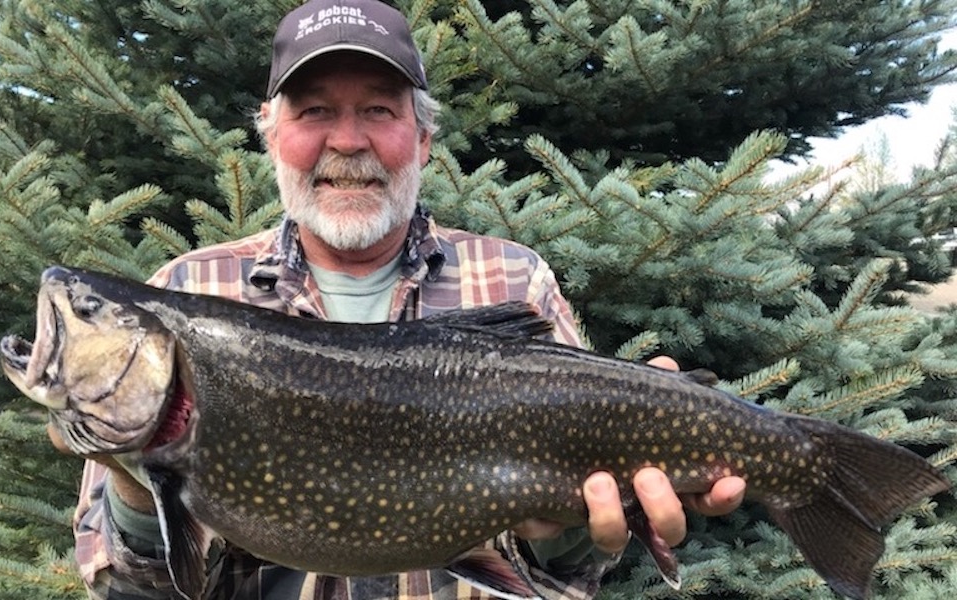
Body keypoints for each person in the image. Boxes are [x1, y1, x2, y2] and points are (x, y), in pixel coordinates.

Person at [53, 0, 746, 598]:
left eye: (378, 110)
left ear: (421, 137)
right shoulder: (181, 297)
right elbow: (130, 593)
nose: (347, 141)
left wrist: (561, 537)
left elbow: (559, 584)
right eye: (315, 110)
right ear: (273, 136)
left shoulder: (513, 279)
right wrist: (142, 489)